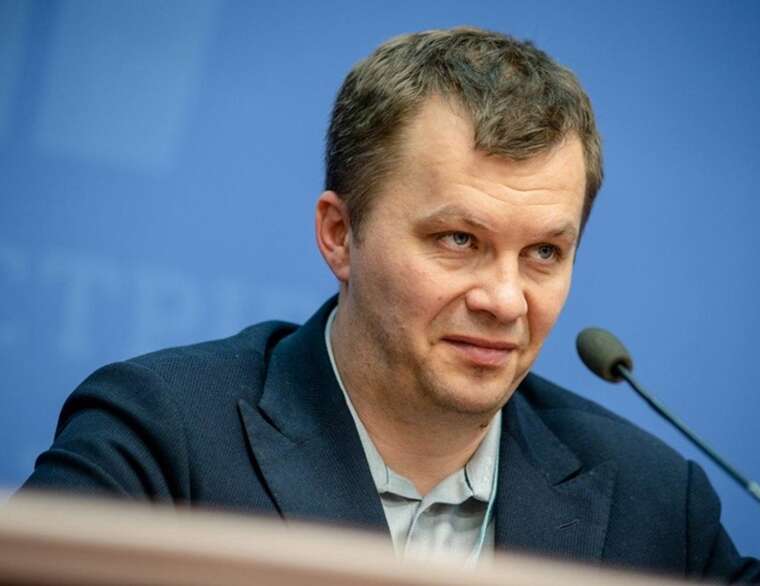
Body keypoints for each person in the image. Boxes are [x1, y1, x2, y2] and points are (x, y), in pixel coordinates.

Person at [21, 27, 759, 581]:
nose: (506, 301)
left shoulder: (656, 504)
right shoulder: (161, 438)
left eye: (543, 253)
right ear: (340, 235)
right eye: (459, 240)